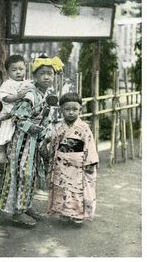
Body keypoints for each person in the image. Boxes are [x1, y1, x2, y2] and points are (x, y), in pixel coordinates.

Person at [0, 55, 64, 227]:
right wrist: (34, 128)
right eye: (42, 73)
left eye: (50, 73)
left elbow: (47, 118)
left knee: (31, 174)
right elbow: (19, 118)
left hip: (34, 141)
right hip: (22, 141)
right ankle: (17, 213)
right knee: (22, 174)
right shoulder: (30, 94)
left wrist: (45, 135)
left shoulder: (47, 94)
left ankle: (26, 206)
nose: (47, 77)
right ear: (35, 76)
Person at [46, 92, 99, 226]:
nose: (71, 112)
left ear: (80, 109)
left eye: (74, 109)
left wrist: (90, 162)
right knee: (63, 188)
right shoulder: (59, 126)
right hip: (61, 164)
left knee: (77, 190)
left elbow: (90, 144)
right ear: (61, 110)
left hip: (78, 165)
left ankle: (77, 215)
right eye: (67, 109)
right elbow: (54, 144)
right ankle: (65, 212)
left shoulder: (84, 128)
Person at [0, 55, 34, 164]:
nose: (18, 72)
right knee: (6, 132)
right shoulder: (7, 84)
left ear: (25, 68)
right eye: (14, 70)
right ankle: (1, 149)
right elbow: (5, 98)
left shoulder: (28, 83)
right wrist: (16, 96)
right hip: (9, 113)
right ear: (7, 71)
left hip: (24, 114)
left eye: (21, 69)